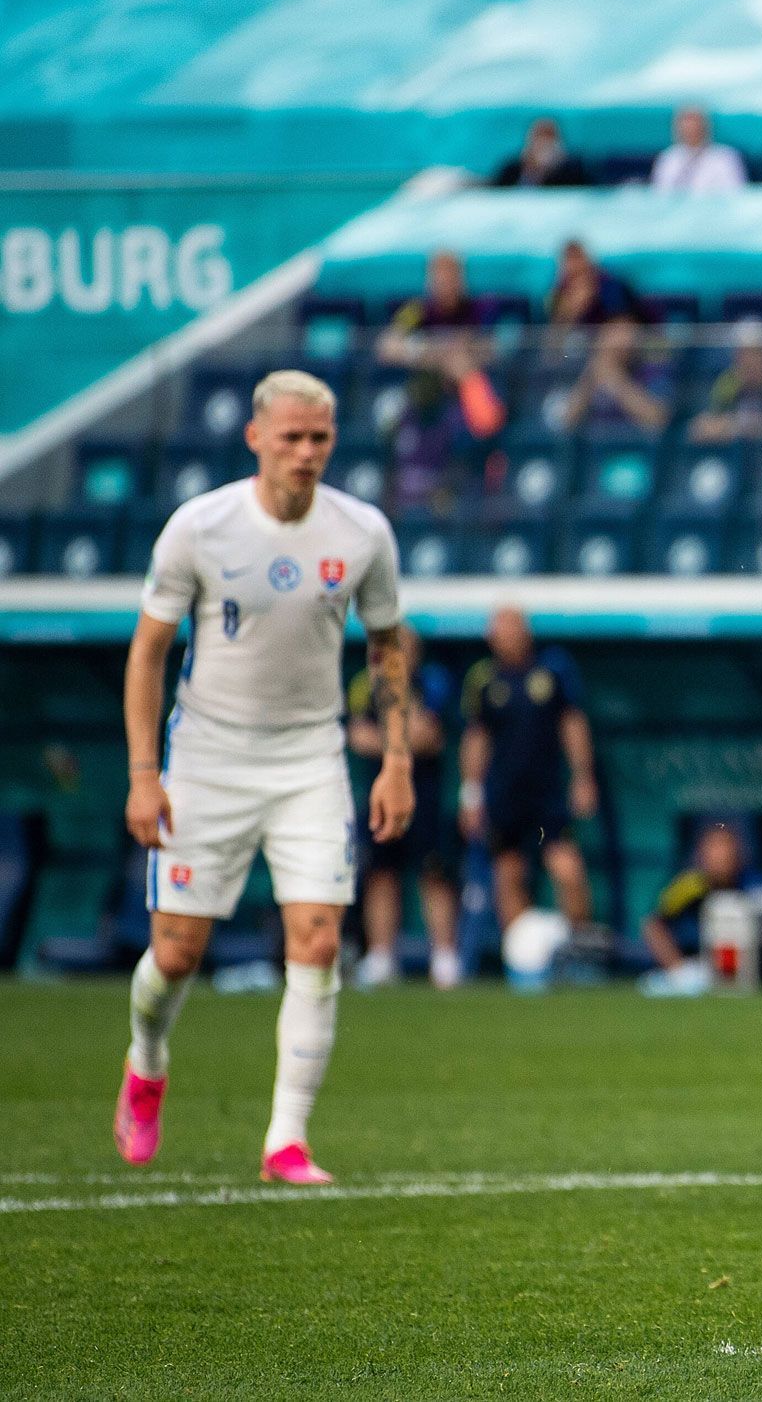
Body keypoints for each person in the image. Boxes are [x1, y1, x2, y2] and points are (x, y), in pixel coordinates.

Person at [115, 370, 409, 1186]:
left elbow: (387, 646)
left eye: (319, 439)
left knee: (316, 940)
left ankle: (286, 1139)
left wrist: (396, 759)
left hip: (310, 757)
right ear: (256, 438)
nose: (307, 453)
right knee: (176, 955)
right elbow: (148, 652)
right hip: (207, 756)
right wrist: (146, 774)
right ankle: (146, 1064)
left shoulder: (362, 533)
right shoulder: (199, 528)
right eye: (291, 438)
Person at [459, 607, 599, 951]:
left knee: (567, 870)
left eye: (510, 628)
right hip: (504, 795)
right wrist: (470, 795)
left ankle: (578, 950)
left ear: (525, 632)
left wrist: (582, 776)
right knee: (507, 876)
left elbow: (572, 725)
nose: (503, 636)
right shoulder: (484, 679)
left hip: (546, 794)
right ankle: (521, 960)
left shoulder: (553, 671)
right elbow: (477, 739)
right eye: (497, 630)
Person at [348, 623, 461, 990]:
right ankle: (381, 956)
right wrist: (397, 743)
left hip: (424, 796)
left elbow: (428, 735)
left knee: (434, 874)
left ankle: (444, 957)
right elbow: (357, 737)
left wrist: (394, 737)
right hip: (378, 796)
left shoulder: (433, 682)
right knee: (381, 874)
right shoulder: (366, 685)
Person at [374, 250, 490, 512]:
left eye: (451, 277)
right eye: (439, 278)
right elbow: (386, 345)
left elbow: (488, 348)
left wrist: (462, 356)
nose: (445, 284)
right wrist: (429, 353)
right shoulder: (416, 311)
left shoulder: (477, 309)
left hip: (461, 399)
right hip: (424, 396)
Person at [639, 822, 754, 993]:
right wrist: (679, 969)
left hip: (738, 976)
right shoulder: (689, 886)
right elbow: (653, 926)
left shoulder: (750, 885)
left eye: (726, 848)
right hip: (692, 970)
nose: (721, 856)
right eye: (715, 848)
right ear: (702, 854)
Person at [562, 310, 669, 436]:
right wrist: (593, 373)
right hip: (594, 448)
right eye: (615, 329)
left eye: (629, 330)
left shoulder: (652, 370)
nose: (624, 339)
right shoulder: (585, 367)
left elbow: (658, 419)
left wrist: (614, 377)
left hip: (635, 447)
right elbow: (567, 423)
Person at [543, 240, 638, 344]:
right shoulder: (560, 291)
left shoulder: (608, 285)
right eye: (568, 260)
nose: (573, 266)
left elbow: (621, 325)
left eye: (577, 258)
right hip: (577, 345)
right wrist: (570, 310)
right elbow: (553, 334)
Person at [651, 104, 748, 196]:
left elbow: (735, 193)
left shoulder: (724, 157)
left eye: (694, 123)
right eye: (685, 124)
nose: (690, 129)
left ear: (705, 126)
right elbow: (659, 194)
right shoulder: (668, 157)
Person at [491, 117, 592, 189]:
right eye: (538, 142)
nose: (542, 148)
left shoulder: (571, 173)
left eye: (548, 144)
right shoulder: (512, 170)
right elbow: (496, 190)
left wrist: (549, 170)